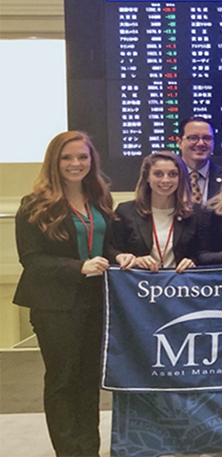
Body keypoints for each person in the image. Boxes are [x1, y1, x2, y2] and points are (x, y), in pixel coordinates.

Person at [14, 131, 135, 457]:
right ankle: (69, 451)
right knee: (63, 382)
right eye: (67, 157)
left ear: (91, 161)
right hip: (55, 306)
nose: (75, 163)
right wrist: (78, 267)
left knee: (88, 382)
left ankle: (89, 448)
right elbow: (31, 259)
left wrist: (117, 255)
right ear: (54, 161)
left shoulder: (98, 199)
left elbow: (102, 245)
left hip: (96, 303)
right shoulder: (34, 205)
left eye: (82, 157)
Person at [113, 151, 200, 273]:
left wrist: (193, 261)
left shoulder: (196, 213)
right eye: (158, 174)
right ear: (147, 177)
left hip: (182, 287)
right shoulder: (125, 211)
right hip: (140, 285)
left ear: (181, 178)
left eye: (173, 174)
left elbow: (203, 253)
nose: (165, 180)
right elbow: (111, 250)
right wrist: (135, 260)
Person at [177, 115, 222, 204]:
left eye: (207, 138)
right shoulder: (167, 177)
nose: (201, 143)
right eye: (193, 138)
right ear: (179, 142)